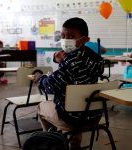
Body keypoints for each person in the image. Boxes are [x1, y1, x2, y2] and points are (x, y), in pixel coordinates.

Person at [36, 17, 104, 149]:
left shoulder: (70, 62)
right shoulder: (96, 59)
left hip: (72, 118)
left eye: (71, 36)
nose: (65, 40)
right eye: (63, 36)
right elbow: (75, 69)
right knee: (76, 106)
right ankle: (74, 144)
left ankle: (55, 142)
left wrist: (39, 78)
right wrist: (61, 61)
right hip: (94, 115)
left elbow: (50, 86)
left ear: (85, 39)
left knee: (41, 106)